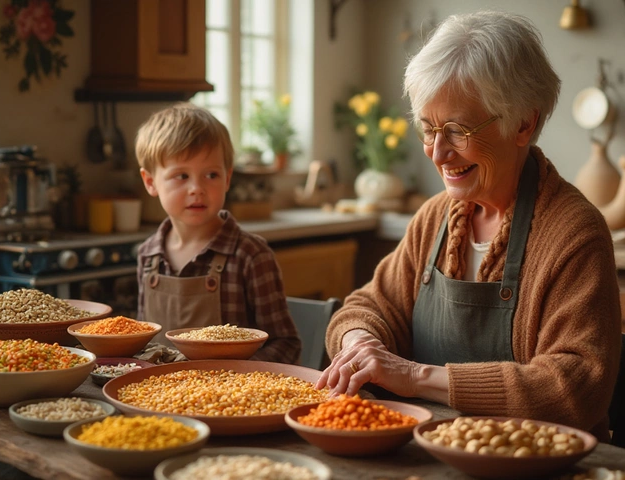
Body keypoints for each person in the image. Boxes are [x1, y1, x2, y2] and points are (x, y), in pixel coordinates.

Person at [317, 10, 622, 442]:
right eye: (428, 128)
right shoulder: (434, 218)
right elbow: (365, 309)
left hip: (533, 465)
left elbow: (573, 387)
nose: (438, 153)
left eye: (457, 130)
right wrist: (359, 345)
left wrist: (416, 376)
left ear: (523, 123)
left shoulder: (574, 234)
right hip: (427, 455)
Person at [135, 103, 301, 364]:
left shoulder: (250, 255)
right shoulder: (148, 256)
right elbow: (144, 341)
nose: (197, 188)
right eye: (181, 176)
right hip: (158, 397)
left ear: (227, 178)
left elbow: (286, 345)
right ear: (150, 182)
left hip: (228, 400)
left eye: (211, 174)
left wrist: (237, 377)